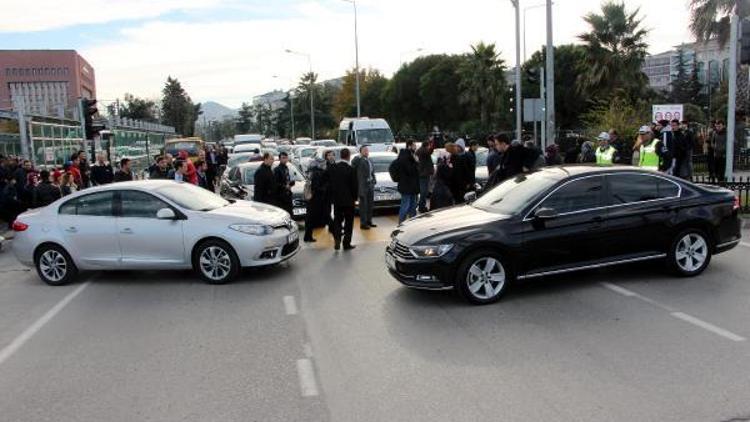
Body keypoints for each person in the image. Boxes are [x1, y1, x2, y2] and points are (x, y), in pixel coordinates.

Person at [326, 147, 358, 250]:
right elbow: (354, 186)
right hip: (349, 201)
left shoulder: (334, 168)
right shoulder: (351, 169)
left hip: (337, 200)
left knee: (337, 220)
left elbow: (329, 182)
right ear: (348, 156)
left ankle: (337, 239)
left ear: (340, 156)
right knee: (349, 222)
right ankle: (346, 243)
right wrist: (355, 198)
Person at [303, 152, 334, 243]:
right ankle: (335, 231)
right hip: (317, 200)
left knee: (313, 218)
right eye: (323, 164)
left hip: (314, 200)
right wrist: (325, 187)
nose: (324, 165)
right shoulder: (317, 173)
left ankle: (307, 236)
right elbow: (317, 187)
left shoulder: (312, 172)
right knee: (323, 216)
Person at [393, 139, 419, 223]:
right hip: (407, 186)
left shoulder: (408, 155)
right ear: (409, 146)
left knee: (412, 206)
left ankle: (412, 223)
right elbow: (410, 170)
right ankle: (401, 223)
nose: (415, 147)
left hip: (411, 186)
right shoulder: (406, 157)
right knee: (405, 206)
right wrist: (416, 162)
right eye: (414, 145)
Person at [352, 145, 377, 229]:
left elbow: (372, 171)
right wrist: (358, 156)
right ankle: (363, 223)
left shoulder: (370, 160)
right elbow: (353, 163)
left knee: (370, 204)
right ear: (361, 152)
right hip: (363, 186)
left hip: (370, 184)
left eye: (367, 150)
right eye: (364, 150)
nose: (366, 151)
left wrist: (374, 180)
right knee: (363, 206)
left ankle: (369, 221)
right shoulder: (359, 160)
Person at [415, 140, 434, 213]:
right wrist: (432, 144)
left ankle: (422, 205)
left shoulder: (421, 151)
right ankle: (421, 206)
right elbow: (429, 152)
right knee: (424, 191)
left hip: (424, 173)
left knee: (425, 191)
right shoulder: (423, 151)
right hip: (424, 174)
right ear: (427, 146)